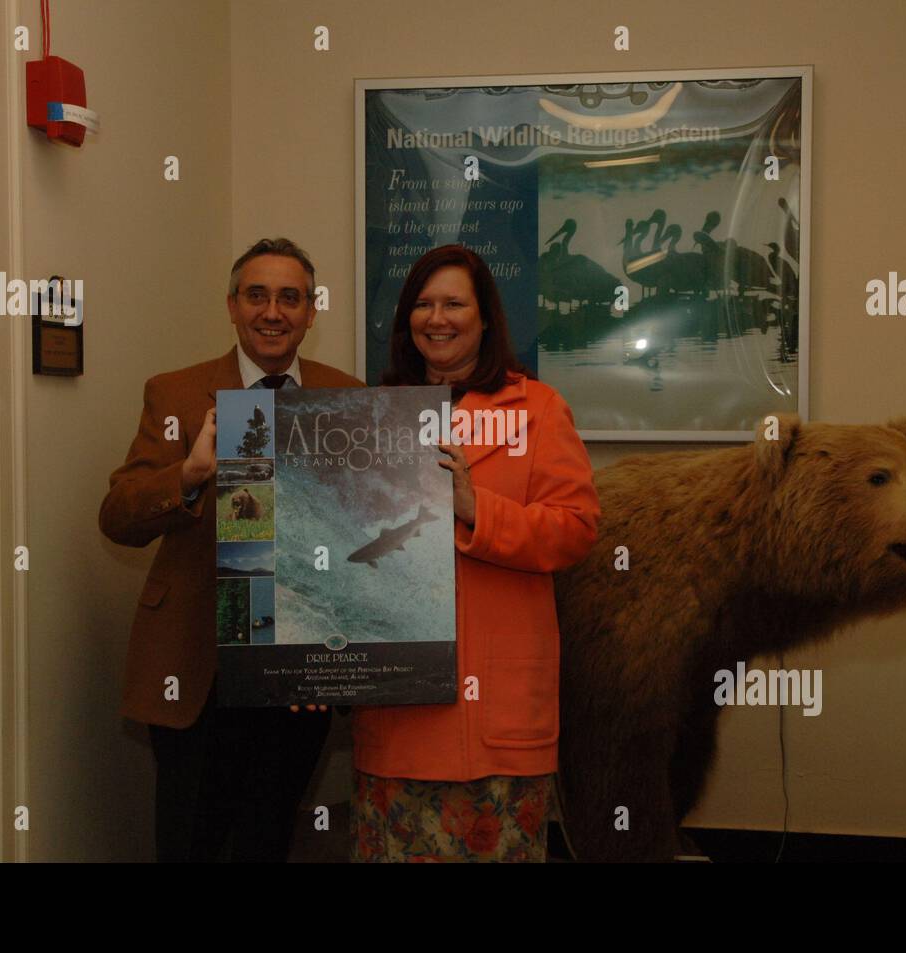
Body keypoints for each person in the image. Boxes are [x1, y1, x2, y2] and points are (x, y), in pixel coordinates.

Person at [99, 238, 363, 862]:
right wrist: (187, 476)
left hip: (297, 669)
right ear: (232, 306)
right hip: (197, 667)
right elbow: (117, 517)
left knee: (267, 840)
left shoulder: (345, 396)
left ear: (310, 311)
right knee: (190, 840)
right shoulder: (176, 393)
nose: (273, 312)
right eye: (257, 295)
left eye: (290, 298)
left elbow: (357, 534)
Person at [349, 244, 599, 862]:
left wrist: (475, 508)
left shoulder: (538, 410)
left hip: (500, 718)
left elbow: (575, 529)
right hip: (399, 712)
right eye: (423, 304)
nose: (438, 318)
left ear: (485, 318)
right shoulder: (369, 417)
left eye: (454, 303)